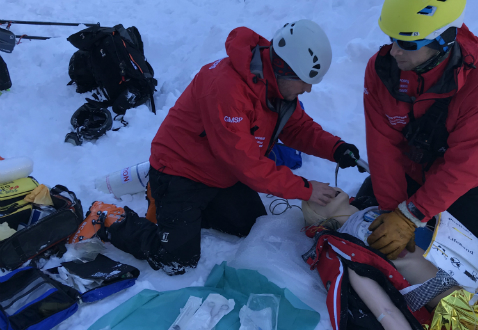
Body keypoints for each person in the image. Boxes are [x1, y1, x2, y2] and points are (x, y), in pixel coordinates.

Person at [89, 19, 361, 275]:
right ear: (285, 69)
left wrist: (336, 148)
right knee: (176, 259)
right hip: (181, 171)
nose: (308, 90)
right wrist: (306, 189)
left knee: (252, 226)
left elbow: (298, 128)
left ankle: (183, 214)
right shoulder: (227, 88)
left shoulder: (275, 86)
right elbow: (246, 163)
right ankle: (111, 217)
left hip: (222, 173)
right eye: (305, 82)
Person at [361, 0, 478, 260]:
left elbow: (466, 164)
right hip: (413, 170)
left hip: (465, 184)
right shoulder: (383, 71)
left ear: (444, 40)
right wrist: (393, 212)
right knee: (365, 214)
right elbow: (383, 146)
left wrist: (410, 216)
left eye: (409, 44)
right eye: (392, 38)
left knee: (467, 252)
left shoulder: (475, 81)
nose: (395, 51)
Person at [302, 190, 461, 330]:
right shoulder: (345, 246)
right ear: (318, 218)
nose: (325, 188)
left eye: (323, 185)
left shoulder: (378, 205)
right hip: (453, 301)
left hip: (465, 265)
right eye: (314, 198)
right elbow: (384, 309)